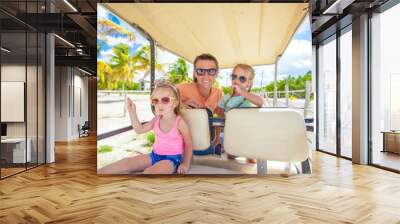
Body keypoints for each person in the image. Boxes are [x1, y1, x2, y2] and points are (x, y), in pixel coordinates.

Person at [98, 82, 193, 174]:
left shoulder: (179, 122)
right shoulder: (156, 119)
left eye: (165, 100)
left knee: (149, 172)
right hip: (154, 156)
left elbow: (188, 143)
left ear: (175, 103)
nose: (159, 104)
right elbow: (139, 129)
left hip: (172, 159)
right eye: (155, 101)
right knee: (126, 163)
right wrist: (132, 111)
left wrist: (185, 164)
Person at [214, 64, 264, 163]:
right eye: (234, 77)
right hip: (232, 135)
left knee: (251, 159)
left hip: (248, 135)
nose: (236, 80)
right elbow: (218, 118)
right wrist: (217, 137)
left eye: (242, 79)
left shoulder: (248, 97)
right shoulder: (226, 98)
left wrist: (242, 93)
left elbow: (260, 102)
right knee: (231, 156)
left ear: (249, 83)